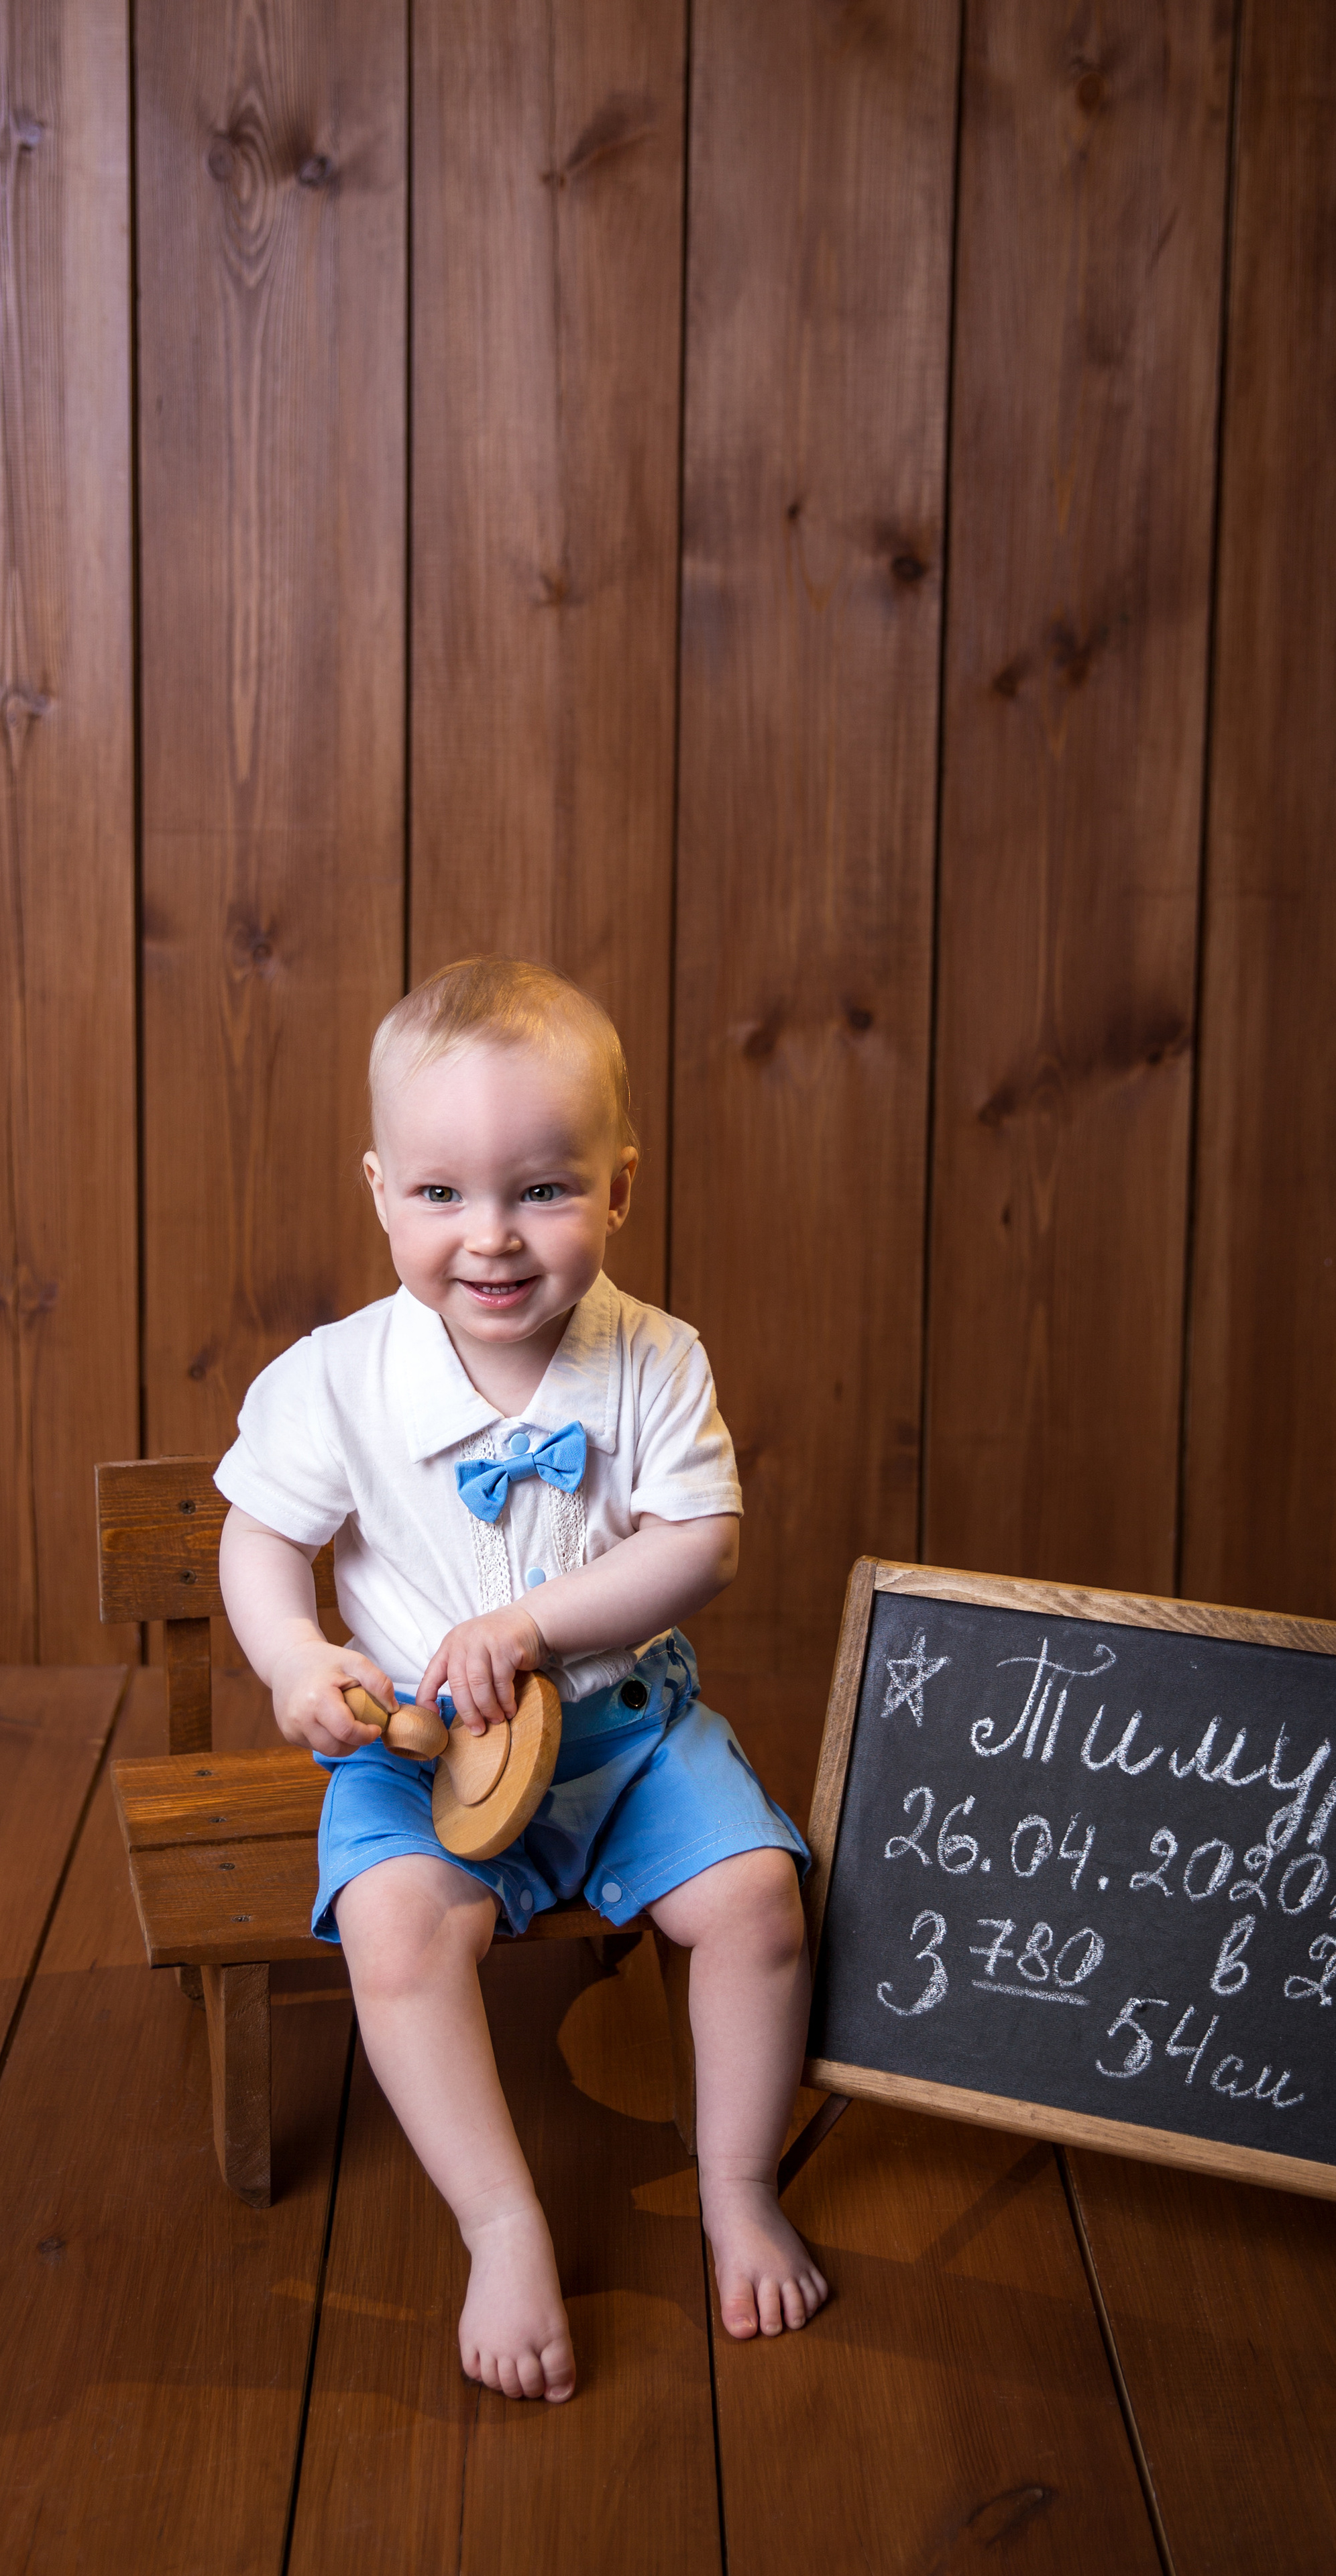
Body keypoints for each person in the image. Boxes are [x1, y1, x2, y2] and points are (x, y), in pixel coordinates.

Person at [216, 955, 828, 2404]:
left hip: (624, 1732)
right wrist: (298, 1654)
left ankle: (736, 2184)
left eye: (541, 1191)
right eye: (440, 1196)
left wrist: (540, 1623)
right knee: (397, 1941)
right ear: (378, 1191)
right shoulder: (337, 1379)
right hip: (420, 1757)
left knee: (757, 1907)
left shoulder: (649, 1359)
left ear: (618, 1188)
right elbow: (256, 1538)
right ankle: (501, 2223)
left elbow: (703, 1546)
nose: (490, 1239)